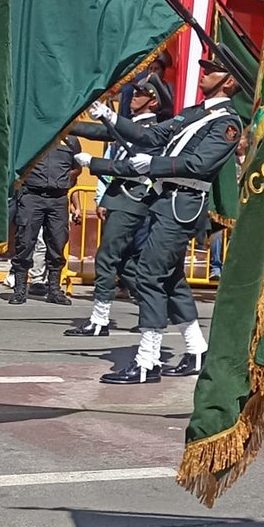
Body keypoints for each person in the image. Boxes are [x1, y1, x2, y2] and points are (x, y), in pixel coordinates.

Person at [83, 55, 241, 384]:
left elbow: (198, 165)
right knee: (169, 278)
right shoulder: (195, 113)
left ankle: (147, 360)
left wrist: (151, 167)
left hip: (183, 203)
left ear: (228, 81)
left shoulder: (227, 122)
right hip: (161, 200)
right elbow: (153, 137)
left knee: (149, 276)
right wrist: (112, 117)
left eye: (212, 71)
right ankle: (196, 348)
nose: (205, 73)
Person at [65, 76, 168, 337]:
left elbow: (134, 168)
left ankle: (100, 320)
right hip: (121, 196)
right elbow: (101, 131)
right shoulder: (130, 125)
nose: (133, 96)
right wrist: (67, 127)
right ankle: (154, 308)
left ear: (153, 101)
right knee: (124, 263)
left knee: (107, 257)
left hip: (132, 197)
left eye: (141, 93)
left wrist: (93, 163)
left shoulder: (153, 130)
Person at [9, 135, 81, 306]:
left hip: (58, 199)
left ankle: (54, 289)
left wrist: (65, 178)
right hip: (32, 196)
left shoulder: (71, 140)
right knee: (25, 242)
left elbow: (78, 167)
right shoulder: (32, 135)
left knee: (57, 242)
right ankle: (20, 289)